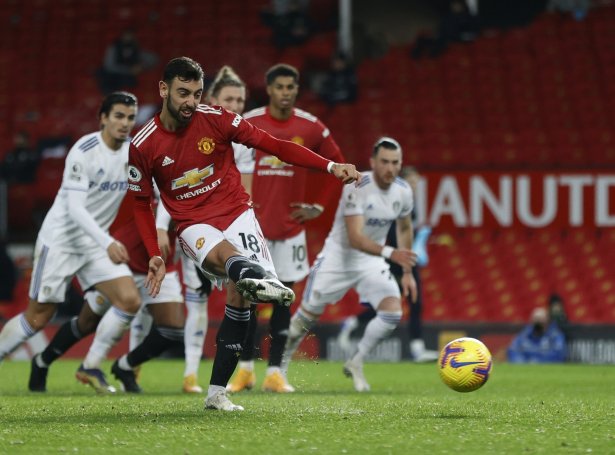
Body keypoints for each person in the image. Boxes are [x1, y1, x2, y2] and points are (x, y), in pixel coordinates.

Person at [127, 56, 360, 411]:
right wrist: (154, 252)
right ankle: (254, 273)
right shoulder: (142, 145)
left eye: (197, 93)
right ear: (163, 89)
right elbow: (141, 203)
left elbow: (276, 146)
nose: (190, 101)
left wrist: (329, 166)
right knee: (229, 262)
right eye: (183, 93)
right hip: (192, 223)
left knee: (241, 302)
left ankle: (216, 393)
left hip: (237, 213)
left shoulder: (217, 119)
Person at [226, 63, 345, 394]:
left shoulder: (311, 126)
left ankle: (276, 372)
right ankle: (246, 370)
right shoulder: (250, 122)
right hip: (253, 229)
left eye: (291, 87)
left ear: (296, 90)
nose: (285, 92)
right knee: (248, 299)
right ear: (269, 89)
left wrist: (318, 205)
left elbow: (337, 163)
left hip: (291, 230)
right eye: (279, 87)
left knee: (283, 302)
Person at [0, 92, 141, 369]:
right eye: (119, 116)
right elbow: (76, 208)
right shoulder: (84, 150)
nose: (125, 123)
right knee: (39, 317)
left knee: (129, 299)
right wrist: (108, 241)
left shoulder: (133, 152)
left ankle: (90, 367)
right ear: (103, 118)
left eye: (130, 117)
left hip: (94, 245)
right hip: (61, 240)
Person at [281, 137, 417, 392]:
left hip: (371, 261)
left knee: (392, 312)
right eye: (385, 162)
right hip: (338, 258)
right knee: (305, 319)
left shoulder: (403, 191)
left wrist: (407, 271)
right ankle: (280, 366)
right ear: (373, 162)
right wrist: (391, 253)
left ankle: (356, 361)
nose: (390, 168)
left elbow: (405, 226)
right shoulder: (356, 185)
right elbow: (356, 239)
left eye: (395, 163)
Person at [28, 193, 185, 394]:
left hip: (162, 264)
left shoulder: (204, 182)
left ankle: (124, 366)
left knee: (173, 329)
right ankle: (43, 361)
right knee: (87, 322)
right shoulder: (164, 175)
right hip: (125, 259)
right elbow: (155, 208)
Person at [337, 167, 438, 362]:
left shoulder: (408, 202)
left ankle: (353, 323)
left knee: (407, 302)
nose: (415, 185)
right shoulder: (396, 201)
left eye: (417, 182)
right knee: (400, 302)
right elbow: (393, 233)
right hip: (397, 259)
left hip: (404, 257)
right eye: (412, 181)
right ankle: (417, 348)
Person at [96, 29, 159, 94]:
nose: (128, 38)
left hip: (127, 77)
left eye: (130, 36)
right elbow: (109, 66)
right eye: (126, 35)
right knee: (107, 80)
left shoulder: (135, 48)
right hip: (112, 76)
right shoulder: (114, 47)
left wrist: (142, 66)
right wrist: (129, 70)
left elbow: (153, 59)